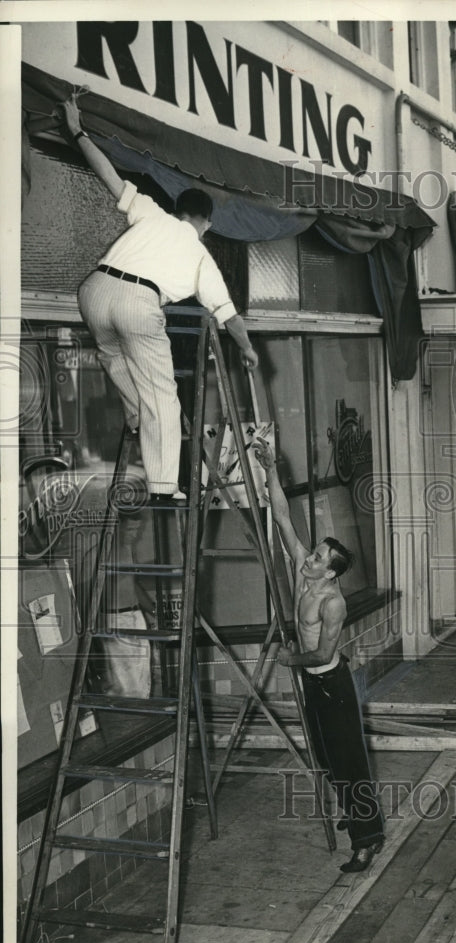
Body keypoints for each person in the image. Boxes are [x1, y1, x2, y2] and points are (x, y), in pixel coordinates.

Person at [61, 96, 259, 504]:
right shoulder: (201, 255)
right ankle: (165, 488)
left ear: (177, 210)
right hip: (137, 301)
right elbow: (229, 317)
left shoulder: (152, 213)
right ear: (207, 222)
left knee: (115, 357)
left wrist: (77, 129)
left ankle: (134, 413)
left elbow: (109, 176)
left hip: (94, 290)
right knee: (163, 396)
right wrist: (249, 351)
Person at [252, 436, 385, 874]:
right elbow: (282, 515)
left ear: (330, 573)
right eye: (312, 553)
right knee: (327, 759)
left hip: (332, 683)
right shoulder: (301, 568)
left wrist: (291, 660)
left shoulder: (332, 603)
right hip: (313, 683)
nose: (308, 558)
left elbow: (325, 651)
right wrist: (271, 468)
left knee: (349, 760)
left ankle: (367, 839)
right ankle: (350, 804)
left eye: (318, 559)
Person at [97, 512, 156, 697]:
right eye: (130, 529)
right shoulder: (103, 551)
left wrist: (153, 609)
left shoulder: (128, 548)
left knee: (142, 673)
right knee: (121, 680)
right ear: (116, 526)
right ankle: (128, 719)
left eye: (137, 530)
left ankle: (143, 715)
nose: (135, 535)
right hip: (115, 619)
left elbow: (133, 583)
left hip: (136, 615)